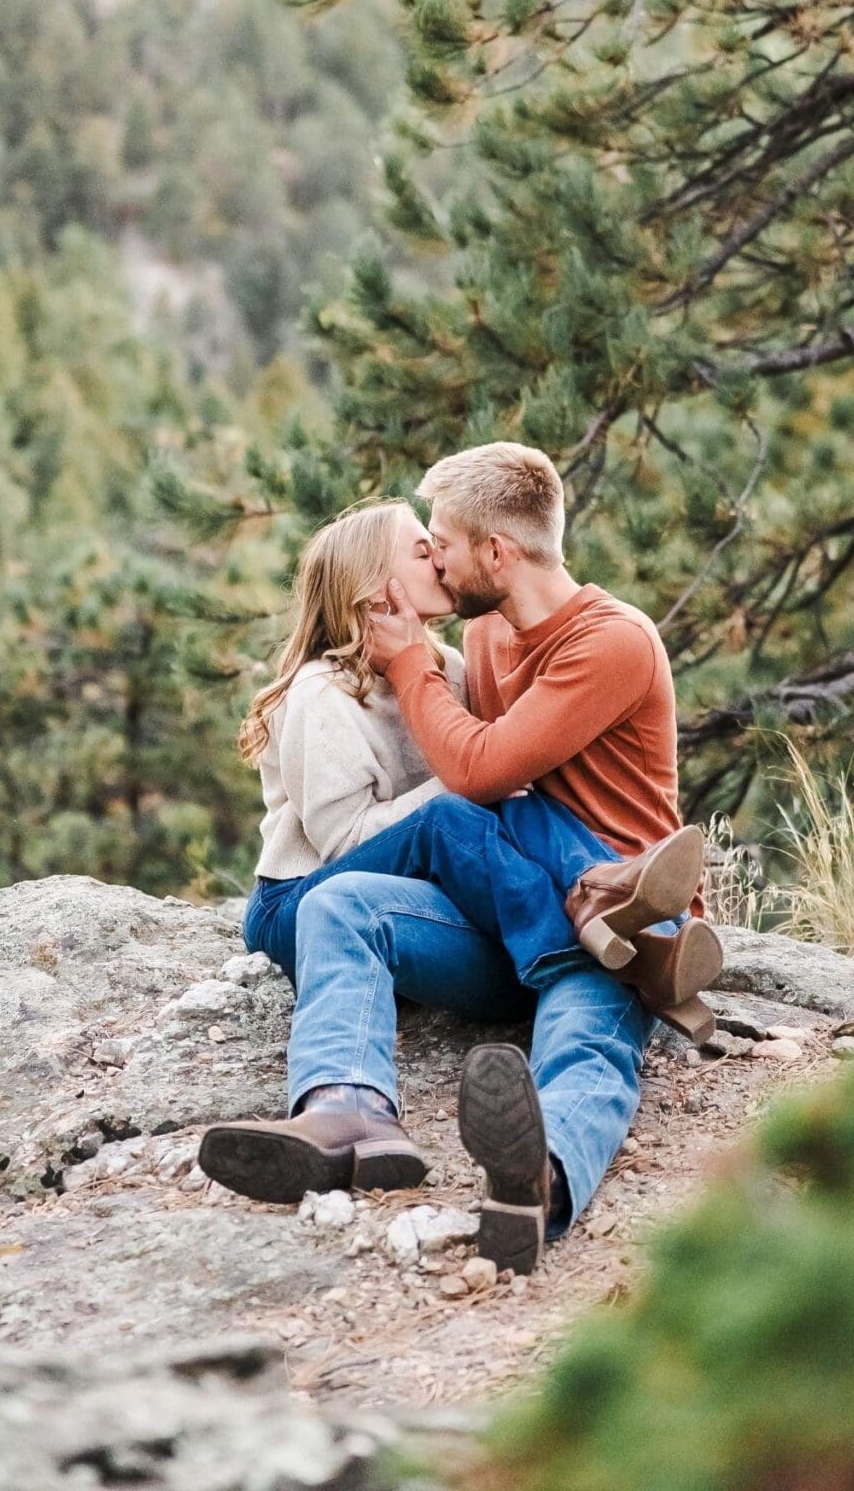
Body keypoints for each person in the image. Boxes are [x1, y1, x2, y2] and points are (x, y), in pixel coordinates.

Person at [197, 444, 716, 1275]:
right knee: (344, 902)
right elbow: (443, 796)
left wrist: (406, 662)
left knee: (588, 1029)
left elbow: (477, 773)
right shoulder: (476, 639)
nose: (434, 553)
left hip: (609, 926)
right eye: (421, 543)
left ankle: (535, 1183)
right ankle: (347, 1111)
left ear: (497, 553)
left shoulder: (611, 640)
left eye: (440, 538)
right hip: (530, 914)